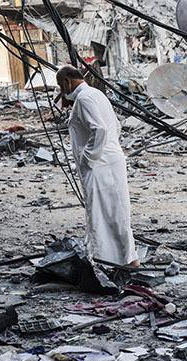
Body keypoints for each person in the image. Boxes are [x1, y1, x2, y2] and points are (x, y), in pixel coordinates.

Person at [56, 65, 139, 268]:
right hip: (108, 160)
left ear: (67, 81)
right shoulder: (96, 94)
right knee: (112, 211)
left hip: (100, 164)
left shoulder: (84, 99)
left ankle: (116, 259)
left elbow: (99, 129)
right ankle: (115, 257)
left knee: (105, 213)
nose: (61, 91)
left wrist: (88, 158)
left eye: (60, 85)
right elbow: (115, 126)